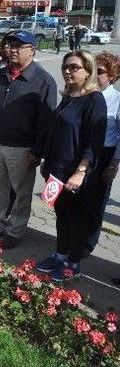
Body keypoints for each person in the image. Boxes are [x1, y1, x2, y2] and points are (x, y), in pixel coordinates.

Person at [0, 31, 57, 249]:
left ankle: (15, 229)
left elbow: (46, 121)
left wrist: (37, 151)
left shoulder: (43, 81)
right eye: (11, 45)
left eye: (19, 47)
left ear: (32, 51)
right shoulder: (0, 74)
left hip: (23, 149)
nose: (12, 50)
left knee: (21, 192)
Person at [35, 50, 106, 281]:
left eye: (74, 67)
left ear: (88, 71)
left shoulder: (94, 100)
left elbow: (94, 140)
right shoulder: (68, 96)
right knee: (62, 215)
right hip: (57, 170)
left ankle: (73, 263)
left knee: (77, 219)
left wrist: (81, 171)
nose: (67, 71)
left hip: (76, 174)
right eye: (66, 66)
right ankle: (60, 254)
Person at [86, 52, 120, 255]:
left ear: (113, 75)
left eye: (100, 72)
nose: (95, 75)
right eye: (93, 70)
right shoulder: (86, 96)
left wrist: (113, 164)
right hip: (84, 153)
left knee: (96, 203)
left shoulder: (116, 100)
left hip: (104, 155)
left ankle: (88, 244)